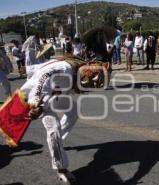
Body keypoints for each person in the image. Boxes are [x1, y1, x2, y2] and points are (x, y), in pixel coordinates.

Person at [21, 50, 110, 184]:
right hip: (38, 96)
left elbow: (44, 68)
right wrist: (36, 105)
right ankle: (61, 168)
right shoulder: (66, 69)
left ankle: (58, 142)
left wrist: (28, 69)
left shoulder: (73, 67)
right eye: (91, 80)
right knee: (54, 129)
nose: (90, 85)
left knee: (73, 111)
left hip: (54, 93)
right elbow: (44, 76)